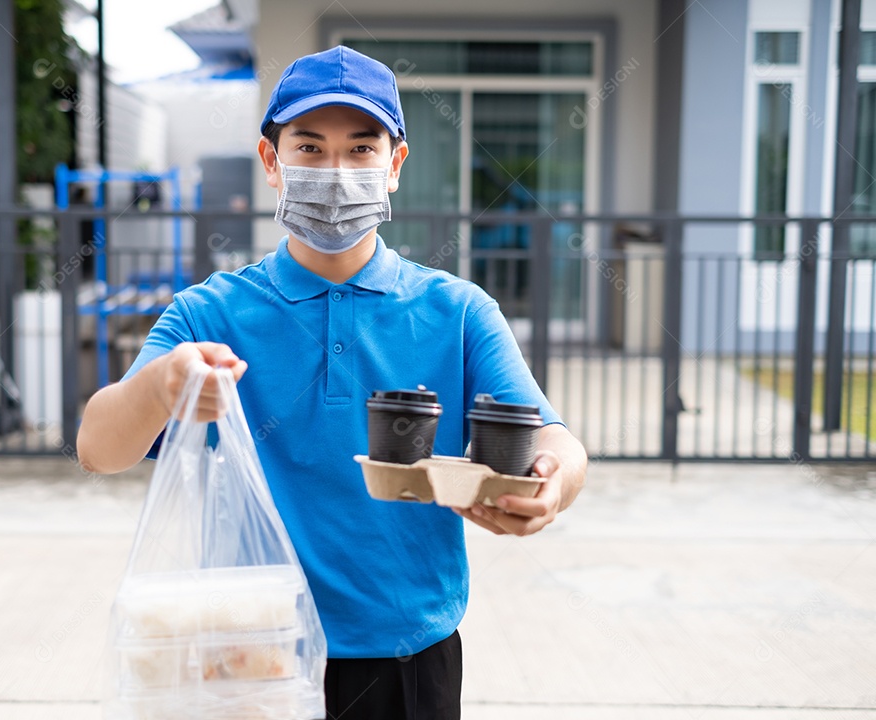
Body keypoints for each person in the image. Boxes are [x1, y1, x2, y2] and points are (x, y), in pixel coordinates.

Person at [78, 45, 588, 720]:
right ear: (272, 162)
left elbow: (551, 436)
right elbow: (98, 448)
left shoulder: (457, 312)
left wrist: (556, 482)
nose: (336, 172)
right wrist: (162, 386)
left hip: (408, 662)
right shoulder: (211, 313)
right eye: (310, 149)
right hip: (252, 655)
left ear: (395, 165)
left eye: (361, 149)